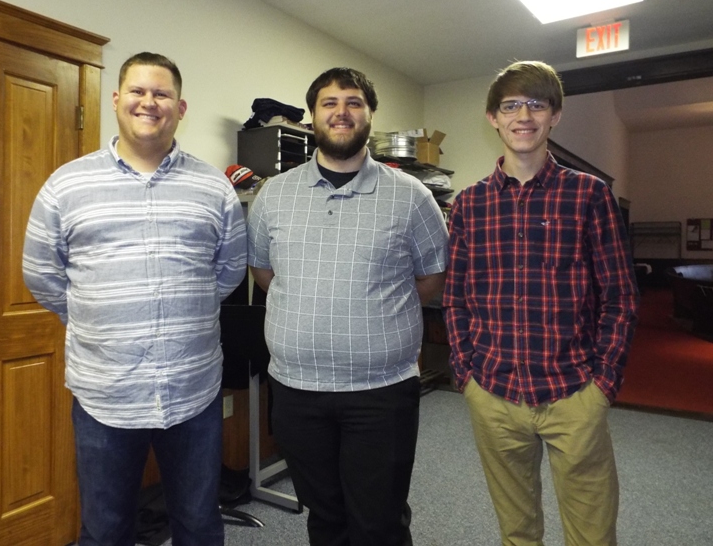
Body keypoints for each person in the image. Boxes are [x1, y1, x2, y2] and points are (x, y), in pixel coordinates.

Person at [22, 52, 246, 546]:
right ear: (117, 99)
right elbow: (41, 274)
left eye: (162, 94)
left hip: (193, 390)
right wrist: (96, 316)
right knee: (105, 530)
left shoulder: (214, 187)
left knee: (200, 526)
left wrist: (185, 307)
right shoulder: (67, 184)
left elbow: (229, 268)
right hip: (106, 394)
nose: (150, 102)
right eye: (138, 91)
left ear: (180, 108)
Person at [247, 67, 449, 546]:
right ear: (313, 116)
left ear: (370, 114)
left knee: (379, 522)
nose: (342, 112)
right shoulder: (274, 194)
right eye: (330, 103)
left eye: (354, 102)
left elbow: (430, 278)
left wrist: (373, 312)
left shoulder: (411, 196)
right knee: (325, 517)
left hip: (380, 392)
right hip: (297, 390)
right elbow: (264, 271)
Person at [443, 60, 639, 546]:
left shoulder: (589, 195)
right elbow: (456, 298)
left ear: (555, 115)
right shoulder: (469, 204)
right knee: (517, 532)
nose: (523, 116)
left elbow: (619, 296)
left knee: (592, 535)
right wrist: (466, 374)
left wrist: (602, 384)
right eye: (511, 105)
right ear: (493, 117)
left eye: (536, 104)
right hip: (493, 392)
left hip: (574, 393)